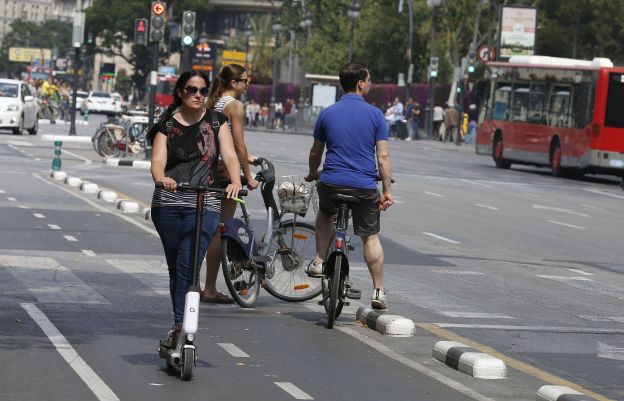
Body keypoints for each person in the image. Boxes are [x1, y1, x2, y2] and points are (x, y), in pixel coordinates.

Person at [148, 70, 242, 345]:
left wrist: (235, 181)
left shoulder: (217, 123)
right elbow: (157, 161)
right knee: (176, 268)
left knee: (189, 266)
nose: (198, 95)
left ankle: (183, 328)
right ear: (180, 92)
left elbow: (230, 154)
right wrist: (161, 178)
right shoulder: (166, 126)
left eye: (202, 90)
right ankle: (180, 324)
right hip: (169, 204)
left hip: (205, 203)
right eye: (191, 90)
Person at [305, 62, 394, 310]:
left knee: (325, 213)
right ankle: (378, 291)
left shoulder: (327, 113)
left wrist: (313, 173)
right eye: (369, 80)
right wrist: (387, 190)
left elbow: (315, 152)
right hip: (364, 187)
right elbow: (383, 158)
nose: (371, 84)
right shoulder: (376, 115)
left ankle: (320, 260)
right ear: (360, 83)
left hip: (331, 183)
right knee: (370, 237)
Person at [202, 63, 259, 304]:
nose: (248, 84)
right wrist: (249, 176)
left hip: (210, 169)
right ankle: (210, 288)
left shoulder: (213, 103)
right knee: (220, 229)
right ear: (234, 83)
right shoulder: (235, 105)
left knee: (213, 228)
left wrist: (249, 157)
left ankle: (207, 285)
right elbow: (238, 145)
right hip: (225, 172)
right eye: (245, 80)